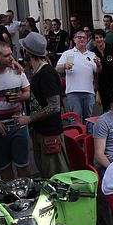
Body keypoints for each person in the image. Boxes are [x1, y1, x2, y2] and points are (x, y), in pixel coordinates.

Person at [15, 33, 70, 179]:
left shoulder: (47, 74)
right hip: (42, 131)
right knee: (46, 173)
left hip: (49, 134)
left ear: (27, 52)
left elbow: (54, 106)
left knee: (56, 177)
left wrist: (29, 119)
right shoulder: (38, 70)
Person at [0, 41, 31, 181]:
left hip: (18, 125)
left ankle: (26, 195)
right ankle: (10, 197)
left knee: (23, 165)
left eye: (11, 54)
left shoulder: (17, 71)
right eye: (7, 55)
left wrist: (20, 97)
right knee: (4, 167)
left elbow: (27, 92)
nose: (11, 58)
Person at [57, 29, 101, 120]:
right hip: (73, 92)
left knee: (89, 119)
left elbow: (97, 71)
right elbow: (57, 69)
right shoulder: (67, 53)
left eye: (84, 38)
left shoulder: (92, 54)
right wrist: (65, 66)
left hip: (89, 91)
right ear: (74, 40)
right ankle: (76, 134)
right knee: (75, 119)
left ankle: (88, 134)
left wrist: (99, 64)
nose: (82, 39)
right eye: (79, 37)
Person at [92, 28, 113, 111]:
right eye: (97, 38)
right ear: (94, 40)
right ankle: (107, 120)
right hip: (102, 79)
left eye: (100, 37)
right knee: (105, 102)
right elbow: (94, 69)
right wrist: (95, 83)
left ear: (104, 38)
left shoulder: (112, 47)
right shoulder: (92, 52)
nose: (99, 39)